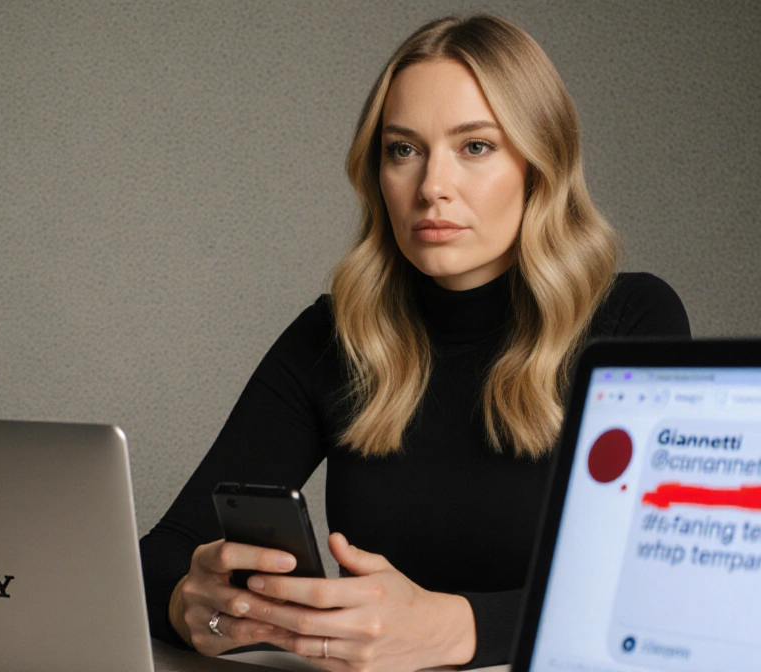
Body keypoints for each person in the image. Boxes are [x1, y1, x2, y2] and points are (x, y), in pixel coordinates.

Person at [139, 14, 689, 671]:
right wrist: (189, 604)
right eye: (403, 149)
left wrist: (460, 628)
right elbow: (162, 553)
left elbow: (659, 592)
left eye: (475, 147)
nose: (432, 186)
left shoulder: (630, 320)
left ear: (539, 164)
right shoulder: (336, 334)